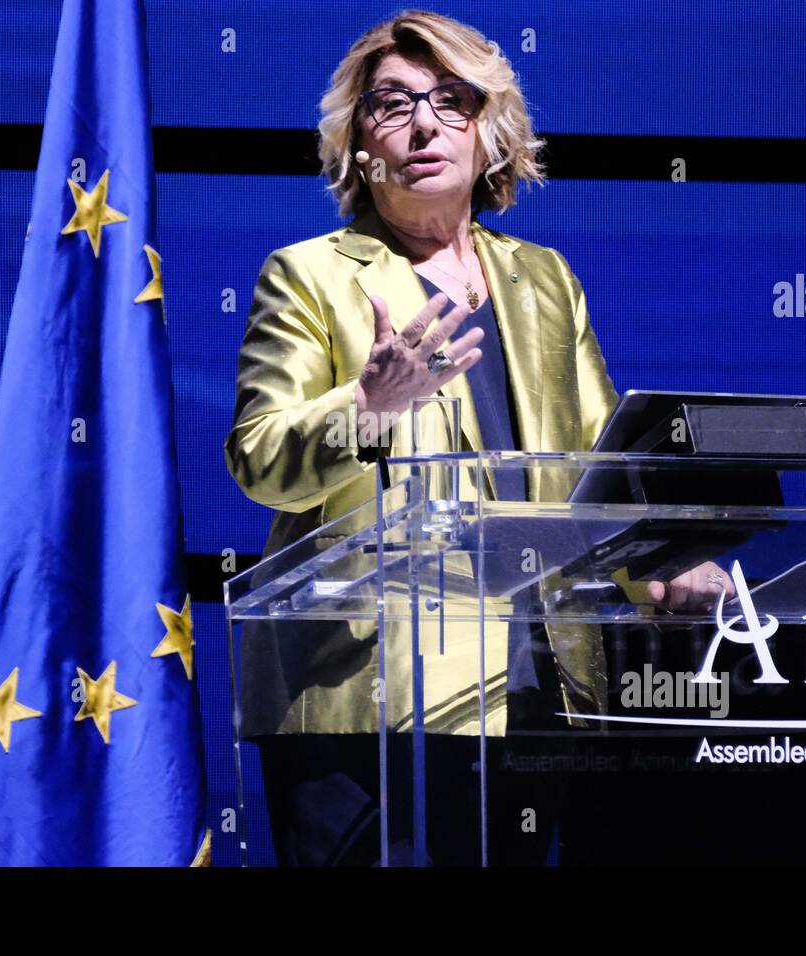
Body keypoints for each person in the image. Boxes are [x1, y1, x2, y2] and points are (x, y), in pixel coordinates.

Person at [224, 10, 733, 866]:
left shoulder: (543, 281)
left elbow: (600, 472)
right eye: (392, 105)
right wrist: (371, 405)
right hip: (364, 695)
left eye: (451, 101)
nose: (424, 123)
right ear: (358, 147)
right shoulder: (307, 274)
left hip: (533, 686)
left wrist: (663, 562)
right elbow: (260, 459)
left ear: (489, 130)